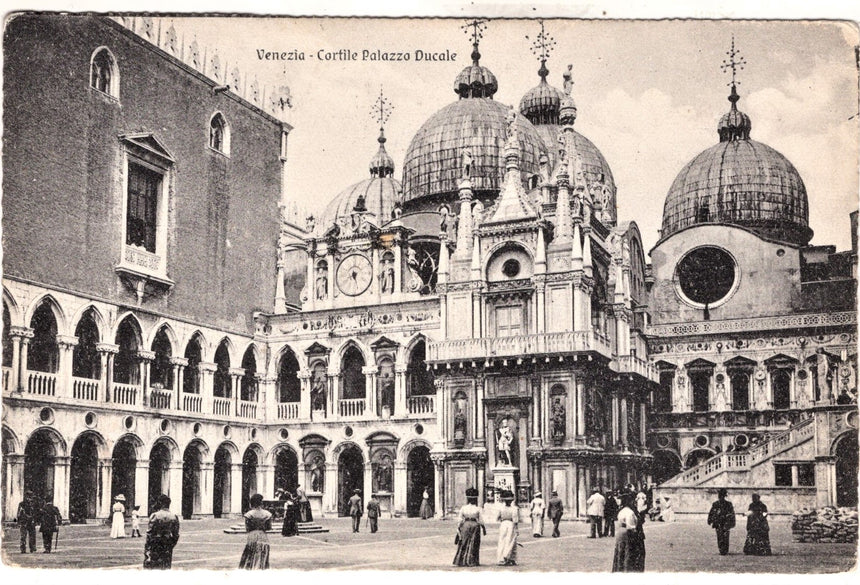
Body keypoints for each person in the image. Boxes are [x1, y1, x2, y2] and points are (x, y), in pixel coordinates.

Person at [143, 495, 180, 569]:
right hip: (167, 543)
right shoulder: (174, 516)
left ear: (160, 503)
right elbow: (176, 534)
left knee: (154, 565)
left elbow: (149, 533)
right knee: (166, 564)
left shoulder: (155, 515)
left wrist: (147, 547)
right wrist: (171, 544)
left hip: (156, 543)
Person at [453, 487, 486, 567]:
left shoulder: (463, 508)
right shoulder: (478, 509)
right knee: (474, 543)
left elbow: (460, 519)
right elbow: (481, 520)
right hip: (475, 526)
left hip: (465, 525)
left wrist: (458, 529)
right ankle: (472, 561)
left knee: (464, 543)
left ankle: (461, 560)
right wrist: (483, 528)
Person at [612, 492, 645, 572]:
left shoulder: (622, 511)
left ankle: (620, 569)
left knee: (620, 553)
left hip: (621, 533)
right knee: (628, 554)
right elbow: (631, 526)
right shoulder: (630, 512)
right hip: (628, 534)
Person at [239, 493, 273, 570]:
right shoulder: (267, 514)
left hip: (252, 535)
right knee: (263, 554)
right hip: (263, 535)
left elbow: (247, 528)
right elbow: (269, 527)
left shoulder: (249, 514)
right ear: (261, 502)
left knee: (250, 554)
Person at [707, 488, 736, 555]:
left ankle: (724, 549)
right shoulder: (716, 504)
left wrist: (710, 520)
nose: (721, 497)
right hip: (719, 523)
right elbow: (712, 512)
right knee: (721, 536)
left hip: (725, 523)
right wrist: (710, 520)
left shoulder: (727, 504)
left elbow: (731, 513)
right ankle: (722, 549)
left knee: (724, 536)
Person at [495, 490, 519, 566]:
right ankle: (508, 557)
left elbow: (497, 518)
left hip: (503, 524)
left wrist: (502, 519)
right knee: (511, 541)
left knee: (502, 540)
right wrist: (517, 529)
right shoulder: (514, 508)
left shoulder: (501, 508)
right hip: (511, 524)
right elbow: (515, 520)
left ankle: (501, 558)